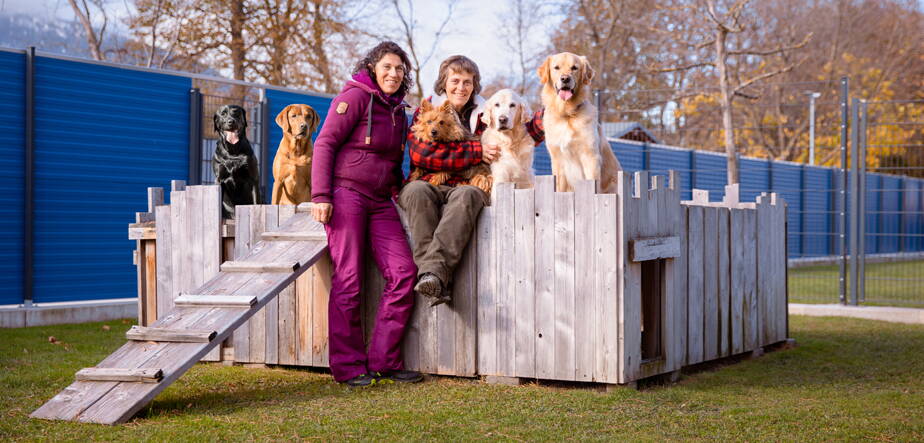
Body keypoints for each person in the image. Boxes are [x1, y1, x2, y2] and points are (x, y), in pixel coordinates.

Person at [310, 41, 422, 387]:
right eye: (387, 66)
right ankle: (347, 367)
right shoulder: (355, 97)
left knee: (404, 272)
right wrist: (321, 195)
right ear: (373, 67)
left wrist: (398, 188)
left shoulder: (398, 111)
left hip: (379, 201)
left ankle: (384, 361)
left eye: (399, 69)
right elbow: (325, 143)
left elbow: (391, 160)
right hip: (346, 196)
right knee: (349, 278)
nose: (393, 73)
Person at [398, 55, 500, 306]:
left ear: (474, 85)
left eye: (468, 82)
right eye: (455, 81)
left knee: (469, 195)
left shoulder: (486, 114)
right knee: (414, 191)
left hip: (466, 184)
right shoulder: (428, 108)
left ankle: (432, 276)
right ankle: (435, 277)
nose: (461, 87)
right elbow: (422, 154)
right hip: (428, 180)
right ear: (444, 83)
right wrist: (475, 152)